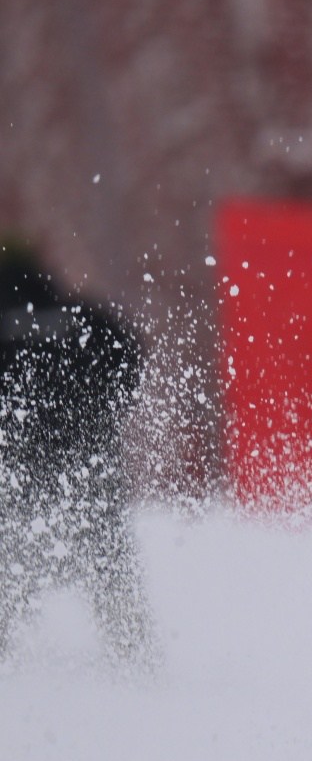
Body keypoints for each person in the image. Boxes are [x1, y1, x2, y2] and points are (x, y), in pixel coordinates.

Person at [0, 240, 152, 667]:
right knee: (111, 577)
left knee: (8, 583)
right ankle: (136, 664)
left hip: (15, 481)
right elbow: (130, 359)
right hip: (88, 475)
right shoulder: (87, 319)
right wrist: (102, 417)